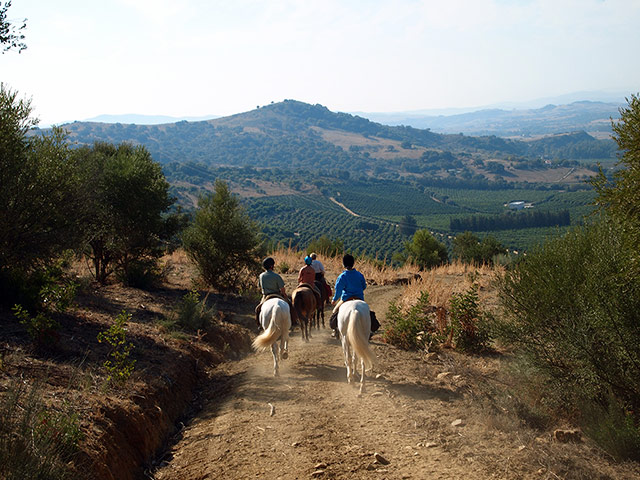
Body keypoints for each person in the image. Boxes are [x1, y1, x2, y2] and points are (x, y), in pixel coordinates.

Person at [329, 253, 379, 336]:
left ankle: (335, 330)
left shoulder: (342, 276)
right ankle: (370, 330)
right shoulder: (359, 275)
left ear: (344, 264)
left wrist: (334, 299)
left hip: (346, 299)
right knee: (368, 313)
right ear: (353, 263)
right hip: (359, 298)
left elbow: (338, 290)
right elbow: (364, 286)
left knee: (334, 311)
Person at [255, 257, 296, 327]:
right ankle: (293, 321)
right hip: (277, 294)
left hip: (266, 296)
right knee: (290, 306)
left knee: (257, 309)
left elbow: (259, 287)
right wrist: (285, 295)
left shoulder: (261, 276)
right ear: (271, 266)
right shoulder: (276, 276)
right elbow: (282, 289)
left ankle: (259, 324)